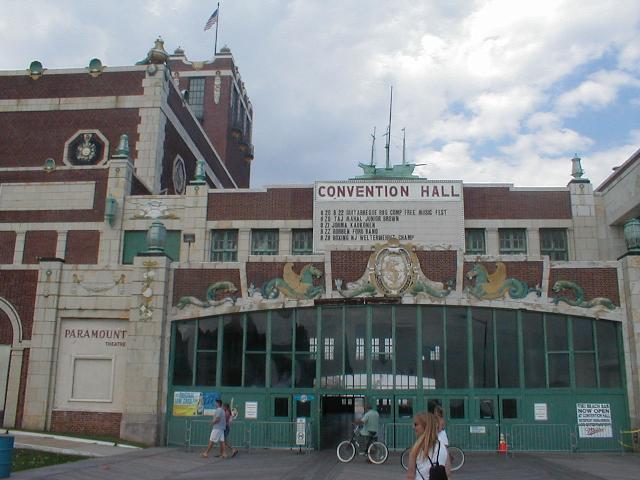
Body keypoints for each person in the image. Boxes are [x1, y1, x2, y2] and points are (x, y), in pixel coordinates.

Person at [406, 412, 451, 480]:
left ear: (425, 426)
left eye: (416, 424)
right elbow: (448, 473)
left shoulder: (416, 449)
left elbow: (410, 475)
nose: (413, 427)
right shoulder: (443, 447)